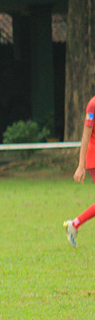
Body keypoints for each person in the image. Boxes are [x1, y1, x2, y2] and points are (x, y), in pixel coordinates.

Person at [65, 85, 95, 247]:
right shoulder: (93, 105)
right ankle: (74, 224)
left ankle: (74, 224)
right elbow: (85, 135)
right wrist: (80, 165)